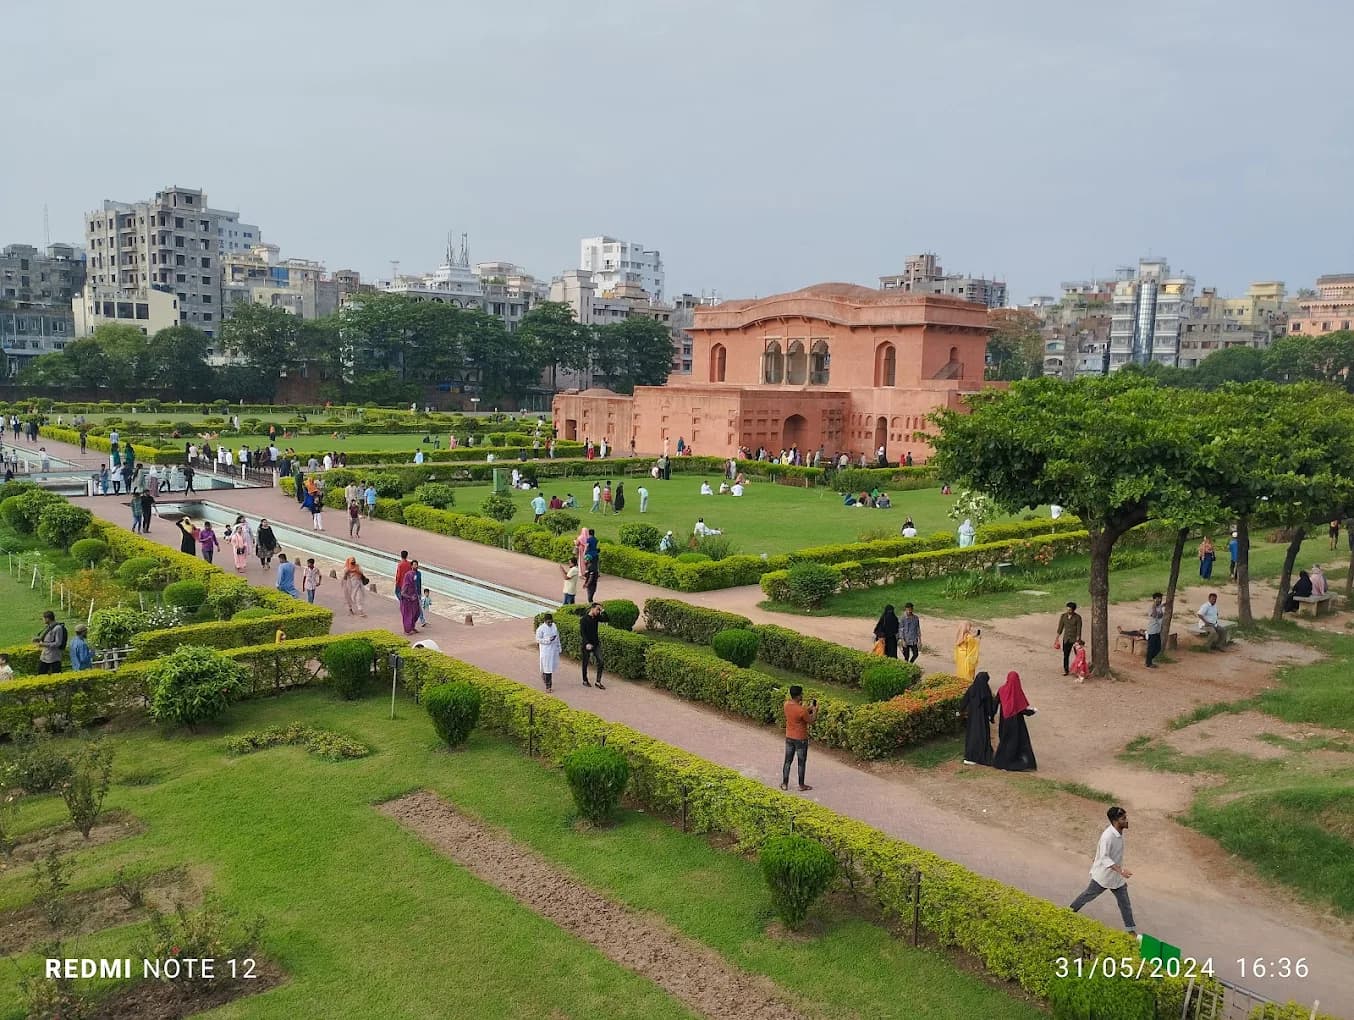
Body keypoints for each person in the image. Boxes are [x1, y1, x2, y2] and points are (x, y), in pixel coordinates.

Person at [1069, 806, 1137, 935]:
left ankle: (1131, 930)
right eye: (1124, 819)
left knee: (1125, 903)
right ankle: (1068, 912)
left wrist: (1119, 872)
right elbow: (1104, 857)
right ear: (1116, 821)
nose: (1127, 820)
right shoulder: (1108, 836)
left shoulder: (1118, 833)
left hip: (1116, 878)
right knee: (1087, 896)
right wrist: (1121, 870)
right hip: (1104, 876)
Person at [993, 671, 1038, 771]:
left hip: (1005, 721)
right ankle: (1016, 763)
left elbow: (995, 703)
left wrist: (991, 715)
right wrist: (1032, 712)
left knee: (1005, 741)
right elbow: (1022, 709)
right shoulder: (1017, 692)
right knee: (1017, 742)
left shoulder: (1002, 690)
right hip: (1016, 722)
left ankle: (1001, 762)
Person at [780, 685, 818, 792]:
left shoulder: (786, 704)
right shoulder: (801, 710)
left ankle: (784, 783)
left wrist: (808, 709)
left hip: (789, 737)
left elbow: (799, 714)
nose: (802, 696)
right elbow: (811, 720)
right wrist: (815, 710)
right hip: (801, 739)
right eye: (801, 694)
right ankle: (801, 785)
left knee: (787, 761)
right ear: (798, 696)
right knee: (801, 762)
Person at [961, 670, 996, 766]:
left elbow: (964, 701)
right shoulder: (986, 690)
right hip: (982, 719)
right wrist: (991, 717)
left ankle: (970, 757)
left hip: (972, 719)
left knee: (972, 737)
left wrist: (959, 712)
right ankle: (982, 757)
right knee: (982, 737)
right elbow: (989, 707)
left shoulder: (972, 688)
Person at [579, 602, 607, 688]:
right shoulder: (583, 619)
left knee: (601, 661)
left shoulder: (596, 617)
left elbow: (606, 619)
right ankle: (584, 680)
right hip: (587, 645)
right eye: (597, 609)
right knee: (585, 662)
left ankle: (598, 682)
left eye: (599, 610)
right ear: (592, 608)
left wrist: (603, 611)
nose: (598, 611)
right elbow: (583, 633)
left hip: (596, 644)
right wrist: (587, 643)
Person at [535, 612, 561, 692]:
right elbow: (538, 639)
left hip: (553, 650)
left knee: (551, 667)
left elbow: (557, 637)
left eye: (551, 622)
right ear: (545, 621)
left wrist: (559, 646)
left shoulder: (554, 626)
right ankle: (548, 687)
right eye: (548, 622)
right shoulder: (541, 629)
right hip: (546, 651)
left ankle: (544, 675)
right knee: (548, 668)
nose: (550, 623)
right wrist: (548, 640)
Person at [1055, 602, 1082, 676]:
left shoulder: (1077, 618)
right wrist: (1057, 639)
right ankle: (1066, 670)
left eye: (1069, 609)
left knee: (1078, 656)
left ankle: (1078, 670)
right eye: (1067, 609)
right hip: (1066, 639)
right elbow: (1060, 628)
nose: (1068, 611)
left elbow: (1079, 630)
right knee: (1066, 655)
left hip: (1074, 640)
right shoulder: (1063, 616)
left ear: (1073, 610)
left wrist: (1077, 640)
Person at [398, 561, 421, 635]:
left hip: (414, 599)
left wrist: (417, 595)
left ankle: (412, 627)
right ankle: (407, 630)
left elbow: (417, 585)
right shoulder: (407, 584)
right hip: (407, 602)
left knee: (416, 612)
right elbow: (403, 593)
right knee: (408, 615)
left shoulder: (414, 580)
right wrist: (410, 597)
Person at [1145, 592, 1164, 668]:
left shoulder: (1159, 607)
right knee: (1151, 647)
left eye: (1160, 598)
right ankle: (1148, 662)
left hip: (1157, 630)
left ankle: (1149, 659)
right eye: (1157, 598)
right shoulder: (1151, 607)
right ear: (1154, 599)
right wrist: (1154, 606)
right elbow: (1154, 615)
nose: (1159, 600)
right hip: (1152, 630)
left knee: (1158, 647)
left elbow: (1160, 615)